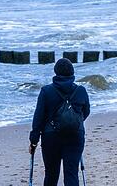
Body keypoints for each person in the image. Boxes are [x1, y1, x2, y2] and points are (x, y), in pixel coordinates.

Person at [29, 58, 91, 186]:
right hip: (75, 136)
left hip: (51, 137)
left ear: (55, 72)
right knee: (71, 173)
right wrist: (72, 123)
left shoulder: (46, 91)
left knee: (51, 173)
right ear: (72, 72)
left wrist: (34, 140)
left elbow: (38, 118)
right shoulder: (81, 91)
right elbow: (86, 112)